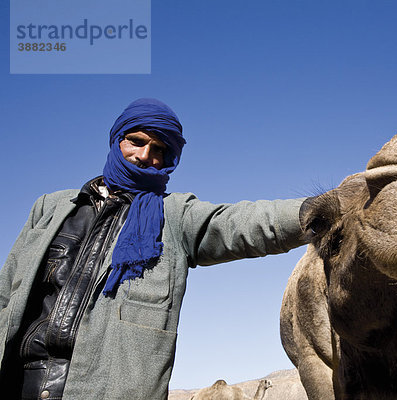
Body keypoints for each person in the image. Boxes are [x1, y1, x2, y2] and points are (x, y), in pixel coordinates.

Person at [0, 99, 307, 399]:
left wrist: (327, 208)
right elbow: (6, 293)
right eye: (136, 141)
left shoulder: (174, 216)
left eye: (159, 149)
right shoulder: (51, 208)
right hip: (18, 380)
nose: (145, 155)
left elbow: (243, 224)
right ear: (118, 140)